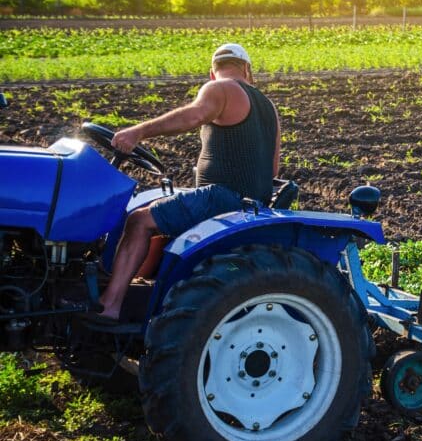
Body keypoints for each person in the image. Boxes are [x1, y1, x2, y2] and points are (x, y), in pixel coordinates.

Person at [86, 43, 281, 324]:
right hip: (250, 203)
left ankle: (110, 304)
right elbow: (273, 168)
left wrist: (139, 131)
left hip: (221, 198)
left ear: (212, 72)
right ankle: (138, 290)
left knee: (139, 221)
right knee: (157, 216)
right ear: (248, 70)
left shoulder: (220, 88)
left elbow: (194, 115)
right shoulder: (268, 107)